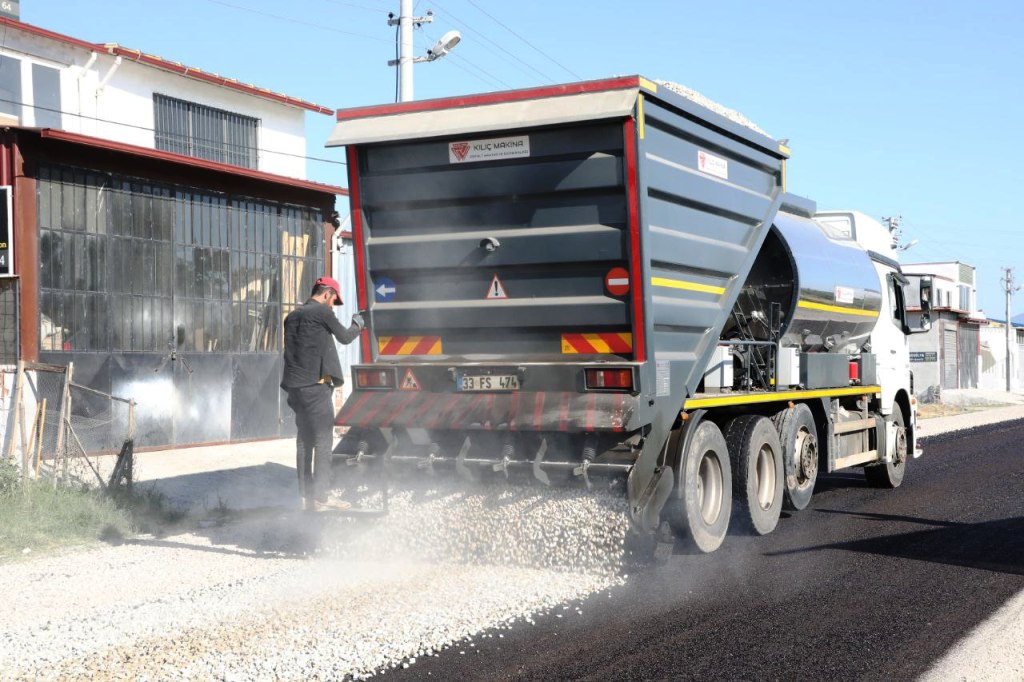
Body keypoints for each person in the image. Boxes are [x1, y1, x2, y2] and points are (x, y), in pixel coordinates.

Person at [281, 276, 364, 512]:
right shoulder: (322, 313)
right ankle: (322, 498)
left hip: (295, 389)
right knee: (323, 441)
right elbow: (345, 337)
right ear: (327, 293)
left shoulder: (292, 317)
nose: (332, 306)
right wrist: (358, 324)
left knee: (304, 442)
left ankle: (307, 498)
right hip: (315, 389)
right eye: (333, 301)